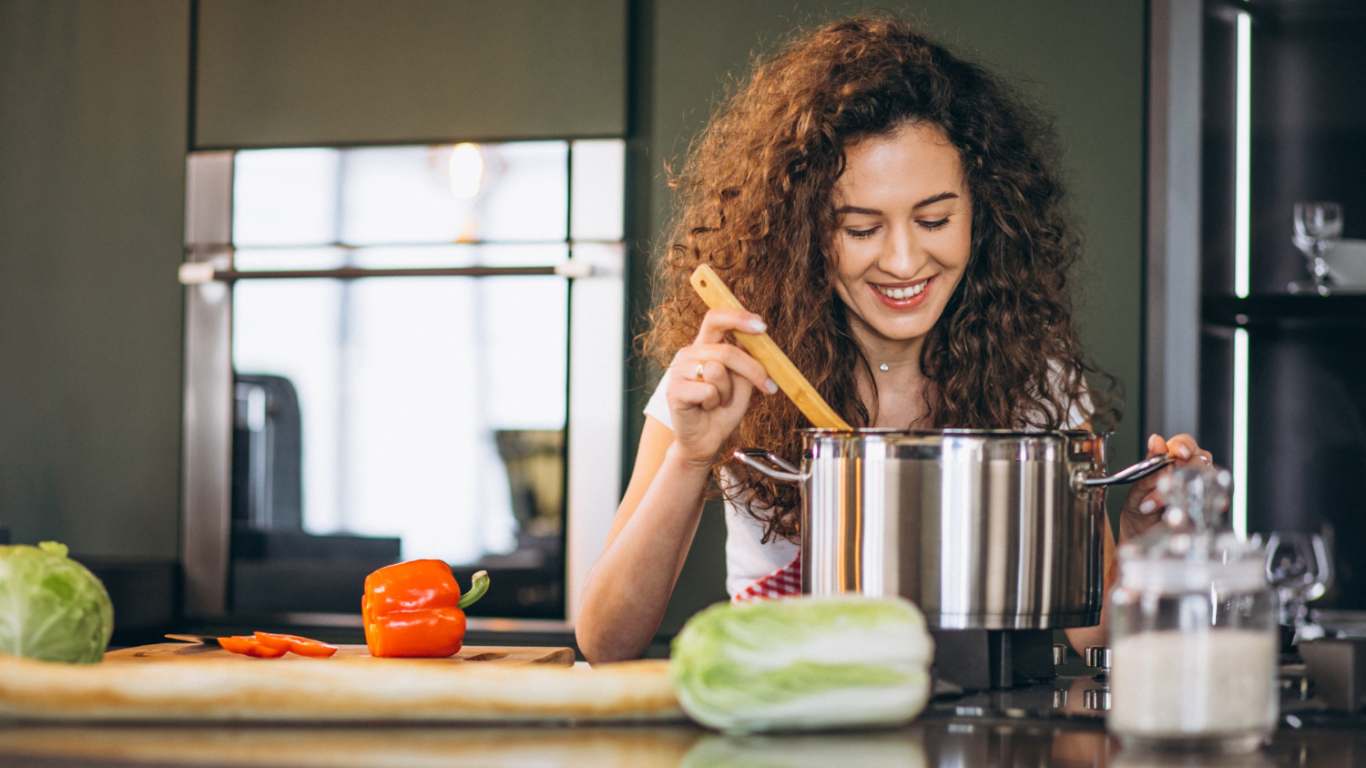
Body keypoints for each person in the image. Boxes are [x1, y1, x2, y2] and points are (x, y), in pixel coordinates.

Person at [575, 15, 1211, 663]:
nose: (904, 261)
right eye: (860, 228)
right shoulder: (724, 377)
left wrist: (1143, 543)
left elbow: (1096, 639)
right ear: (807, 232)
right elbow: (605, 642)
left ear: (981, 212)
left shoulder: (1035, 380)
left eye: (934, 218)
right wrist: (690, 455)